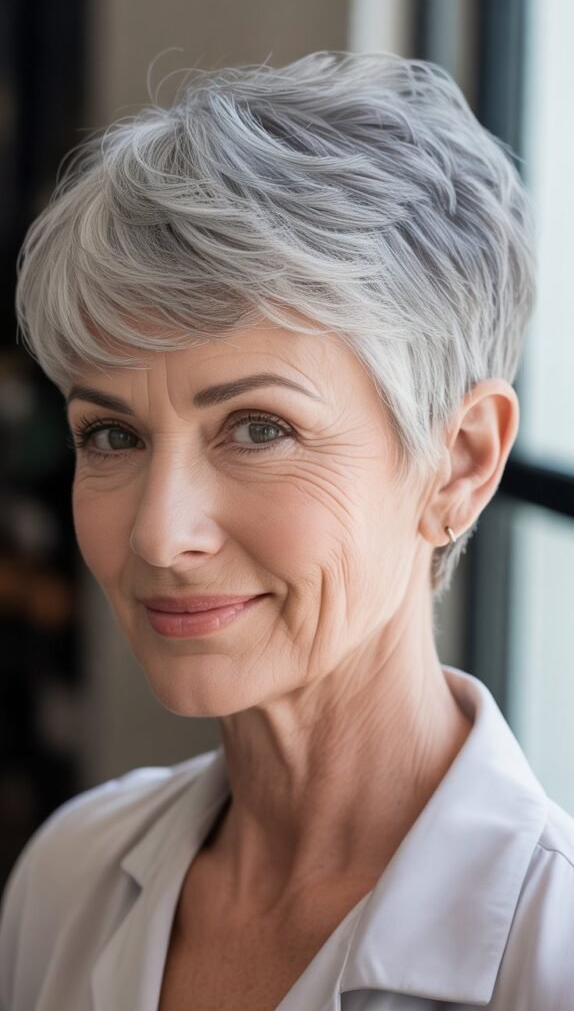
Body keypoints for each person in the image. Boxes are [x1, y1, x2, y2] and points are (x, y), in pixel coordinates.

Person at [1, 50, 573, 1011]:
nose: (158, 535)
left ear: (462, 463)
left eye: (259, 429)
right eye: (112, 433)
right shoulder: (69, 874)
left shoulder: (552, 958)